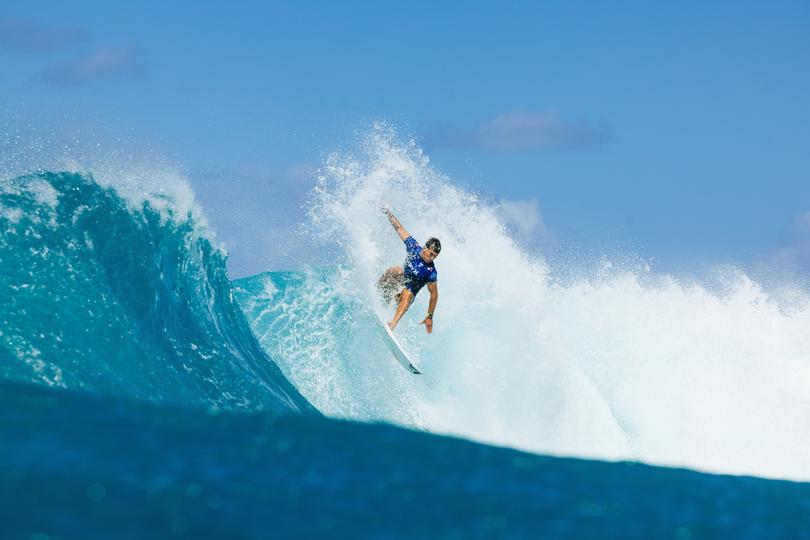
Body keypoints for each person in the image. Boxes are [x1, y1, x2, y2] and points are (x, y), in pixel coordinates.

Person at [377, 208, 440, 333]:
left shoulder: (431, 272)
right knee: (396, 270)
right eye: (431, 254)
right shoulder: (413, 248)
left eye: (435, 256)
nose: (432, 258)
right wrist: (389, 214)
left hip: (405, 296)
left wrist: (429, 316)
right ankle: (376, 292)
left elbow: (434, 295)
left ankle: (392, 324)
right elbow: (399, 229)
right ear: (425, 248)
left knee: (408, 293)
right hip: (397, 284)